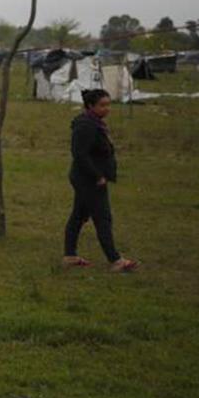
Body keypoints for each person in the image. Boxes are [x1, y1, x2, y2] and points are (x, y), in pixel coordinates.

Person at [63, 88, 138, 271]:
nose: (107, 109)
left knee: (78, 216)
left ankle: (70, 255)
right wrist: (97, 176)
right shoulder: (86, 126)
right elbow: (80, 155)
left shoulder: (95, 123)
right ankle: (115, 260)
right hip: (88, 179)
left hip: (88, 177)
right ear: (90, 106)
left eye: (108, 105)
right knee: (103, 217)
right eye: (102, 105)